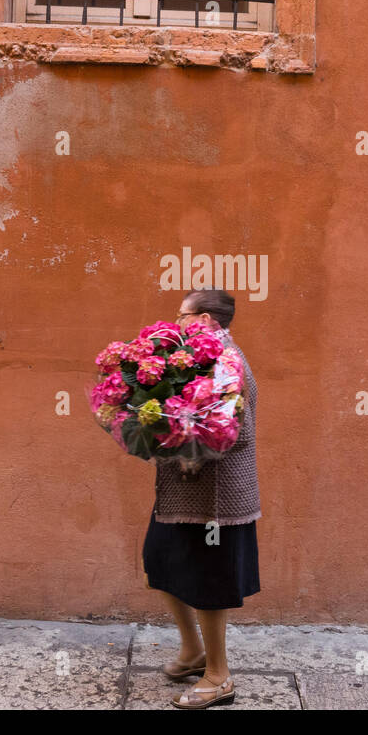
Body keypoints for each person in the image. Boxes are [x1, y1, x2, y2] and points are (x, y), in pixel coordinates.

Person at [141, 288, 260, 708]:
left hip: (215, 498)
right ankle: (193, 653)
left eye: (183, 315)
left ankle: (219, 676)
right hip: (180, 492)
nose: (177, 322)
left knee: (209, 581)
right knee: (161, 559)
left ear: (207, 320)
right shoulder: (196, 359)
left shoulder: (227, 364)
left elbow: (237, 434)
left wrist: (181, 441)